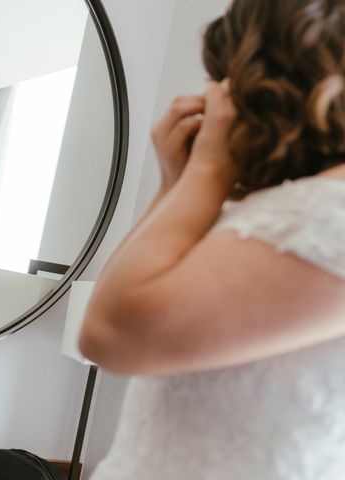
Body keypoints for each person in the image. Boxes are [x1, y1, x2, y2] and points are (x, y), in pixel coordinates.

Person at [79, 0, 345, 478]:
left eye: (225, 79)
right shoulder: (286, 203)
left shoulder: (333, 211)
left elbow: (111, 334)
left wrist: (206, 171)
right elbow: (122, 299)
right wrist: (176, 185)